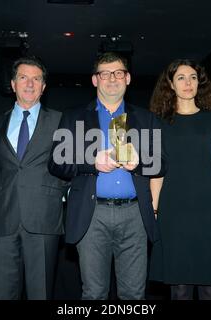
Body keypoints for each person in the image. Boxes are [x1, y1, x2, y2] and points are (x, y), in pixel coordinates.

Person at [48, 52, 165, 300]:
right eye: (105, 73)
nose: (112, 78)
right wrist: (91, 162)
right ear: (95, 80)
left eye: (118, 72)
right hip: (92, 215)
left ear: (128, 78)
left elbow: (161, 164)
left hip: (135, 216)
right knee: (94, 293)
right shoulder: (74, 116)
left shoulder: (146, 118)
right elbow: (57, 163)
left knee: (134, 294)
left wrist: (140, 161)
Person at [148, 59, 211, 300]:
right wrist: (154, 210)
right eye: (181, 77)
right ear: (170, 83)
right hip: (173, 212)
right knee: (179, 289)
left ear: (199, 83)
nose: (187, 83)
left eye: (192, 77)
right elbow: (156, 172)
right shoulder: (158, 124)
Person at [0, 56, 66, 300]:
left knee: (40, 293)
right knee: (3, 294)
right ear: (13, 84)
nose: (30, 84)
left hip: (44, 218)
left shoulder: (61, 121)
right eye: (23, 77)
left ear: (44, 86)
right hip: (2, 219)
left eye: (36, 79)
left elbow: (69, 169)